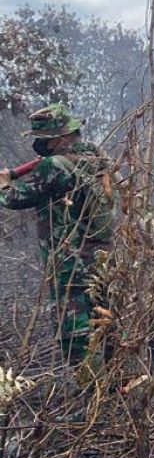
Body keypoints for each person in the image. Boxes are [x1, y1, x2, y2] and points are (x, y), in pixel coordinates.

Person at [0, 104, 116, 364]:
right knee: (108, 326)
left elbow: (15, 198)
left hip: (70, 266)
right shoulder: (97, 160)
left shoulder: (54, 165)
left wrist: (4, 184)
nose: (41, 144)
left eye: (44, 139)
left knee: (77, 336)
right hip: (104, 261)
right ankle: (117, 390)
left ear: (58, 138)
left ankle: (94, 394)